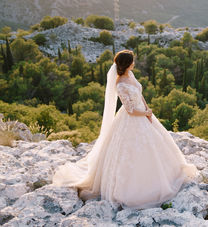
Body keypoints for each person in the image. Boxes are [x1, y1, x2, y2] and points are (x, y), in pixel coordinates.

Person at [51, 50, 199, 209]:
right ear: (127, 64)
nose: (134, 63)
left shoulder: (131, 75)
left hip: (144, 113)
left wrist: (148, 111)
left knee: (158, 145)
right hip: (132, 118)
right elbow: (129, 110)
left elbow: (140, 95)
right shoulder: (120, 84)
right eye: (132, 61)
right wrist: (144, 113)